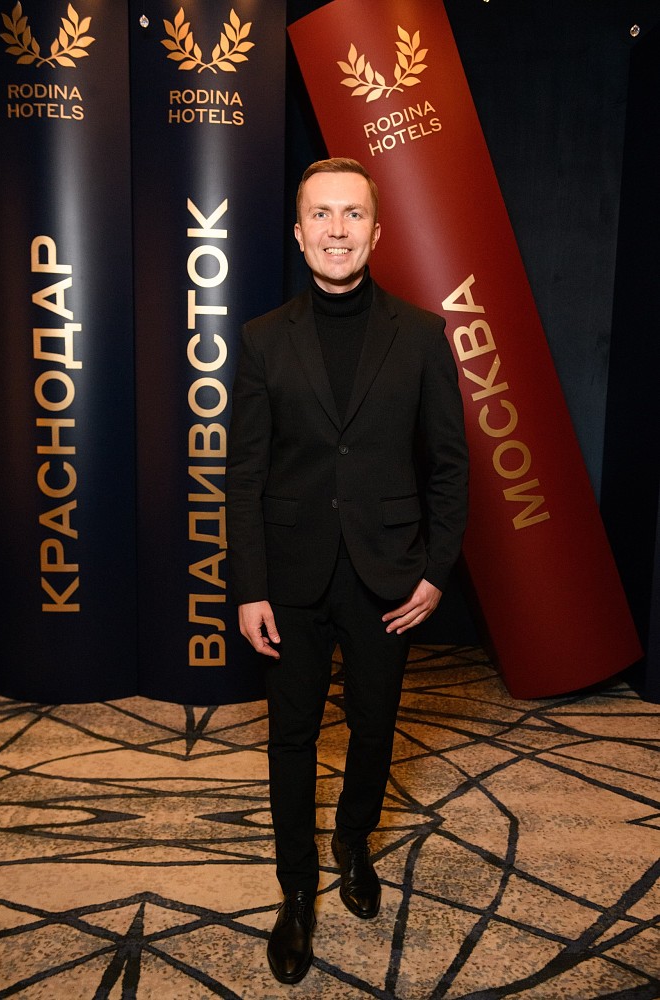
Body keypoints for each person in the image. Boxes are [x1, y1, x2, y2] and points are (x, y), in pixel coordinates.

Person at [226, 157, 468, 984]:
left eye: (352, 214)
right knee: (291, 738)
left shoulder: (422, 334)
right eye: (321, 215)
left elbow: (450, 465)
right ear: (299, 235)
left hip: (387, 575)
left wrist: (435, 570)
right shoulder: (261, 339)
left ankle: (354, 842)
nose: (337, 229)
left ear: (376, 231)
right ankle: (296, 891)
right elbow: (244, 475)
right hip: (289, 579)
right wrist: (250, 587)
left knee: (374, 726)